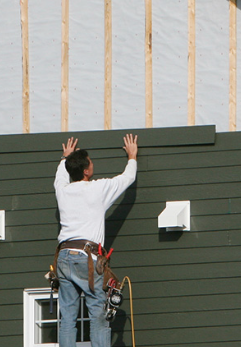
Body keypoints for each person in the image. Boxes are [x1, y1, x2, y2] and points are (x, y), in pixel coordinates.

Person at [54, 134, 138, 347]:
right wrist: (132, 156)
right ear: (86, 171)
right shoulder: (97, 189)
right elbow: (127, 179)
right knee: (98, 314)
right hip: (86, 258)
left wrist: (65, 158)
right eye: (90, 162)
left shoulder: (62, 191)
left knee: (68, 319)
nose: (93, 164)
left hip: (63, 257)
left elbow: (60, 176)